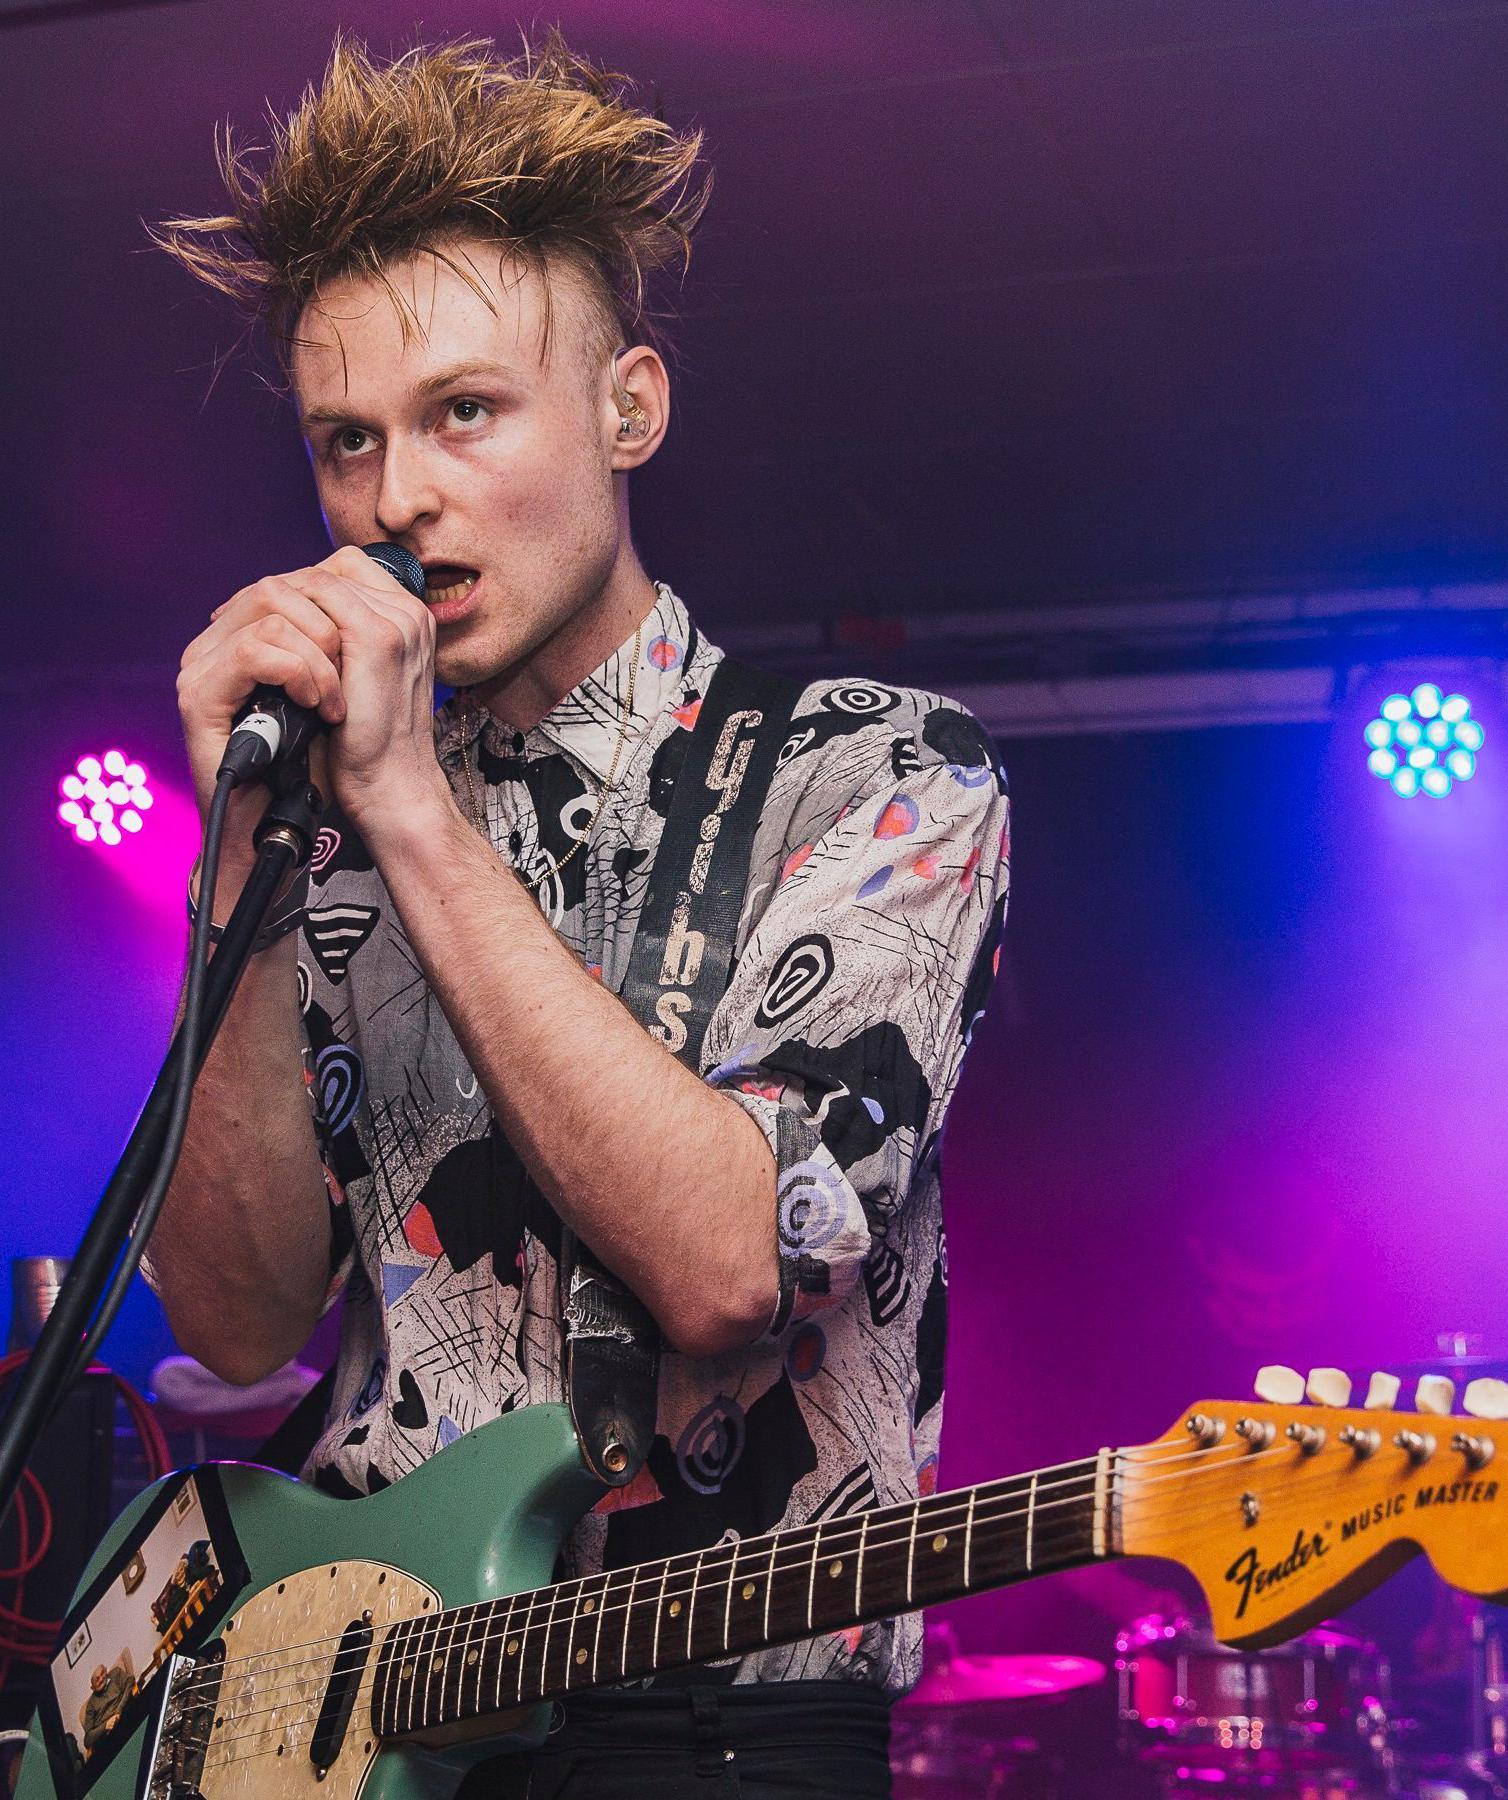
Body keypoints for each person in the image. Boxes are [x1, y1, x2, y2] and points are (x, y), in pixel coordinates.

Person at [145, 33, 1009, 1798]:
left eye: (466, 412)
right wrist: (239, 853)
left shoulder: (875, 780)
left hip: (721, 1727)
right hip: (379, 1724)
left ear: (628, 408)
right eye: (346, 442)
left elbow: (726, 1267)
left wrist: (408, 812)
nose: (396, 503)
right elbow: (234, 1323)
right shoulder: (325, 843)